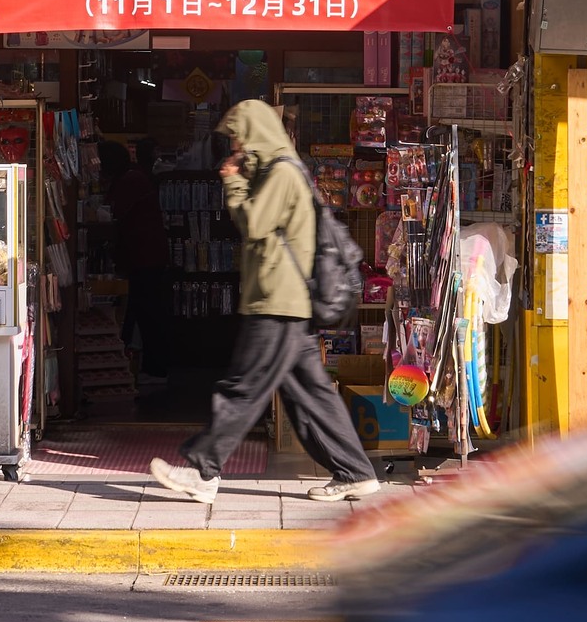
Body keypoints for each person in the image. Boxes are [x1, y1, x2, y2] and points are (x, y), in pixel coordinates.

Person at [149, 99, 380, 505]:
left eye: (238, 135)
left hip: (277, 303)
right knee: (311, 397)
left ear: (255, 132)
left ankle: (204, 471)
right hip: (284, 304)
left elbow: (255, 224)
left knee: (244, 388)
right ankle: (356, 472)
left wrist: (234, 182)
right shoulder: (278, 171)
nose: (235, 144)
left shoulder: (283, 173)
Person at [98, 139, 170, 383]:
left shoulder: (130, 180)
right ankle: (146, 366)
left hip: (144, 257)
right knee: (146, 311)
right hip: (146, 255)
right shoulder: (134, 177)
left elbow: (115, 214)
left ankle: (154, 368)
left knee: (147, 312)